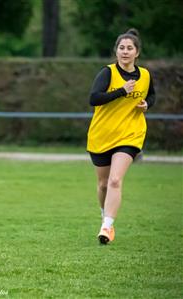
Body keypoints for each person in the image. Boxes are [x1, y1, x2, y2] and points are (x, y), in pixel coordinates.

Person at [86, 28, 156, 245]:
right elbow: (94, 99)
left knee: (116, 180)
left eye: (130, 48)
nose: (125, 52)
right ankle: (104, 212)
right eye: (121, 48)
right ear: (116, 51)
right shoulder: (107, 73)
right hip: (102, 134)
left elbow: (151, 95)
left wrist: (147, 104)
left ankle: (107, 226)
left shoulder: (145, 75)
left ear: (137, 52)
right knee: (104, 185)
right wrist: (122, 91)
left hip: (130, 134)